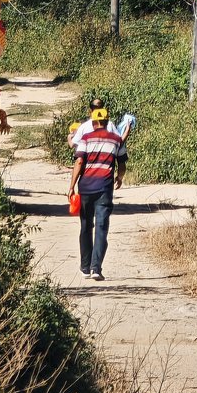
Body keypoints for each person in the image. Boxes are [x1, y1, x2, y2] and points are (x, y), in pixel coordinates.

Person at [65, 97, 127, 281]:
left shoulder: (85, 137)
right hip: (104, 189)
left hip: (85, 188)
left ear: (94, 121)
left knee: (86, 226)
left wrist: (72, 185)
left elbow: (79, 161)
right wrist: (120, 177)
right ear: (107, 121)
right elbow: (122, 163)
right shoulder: (116, 140)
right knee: (101, 227)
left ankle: (85, 267)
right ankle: (96, 268)